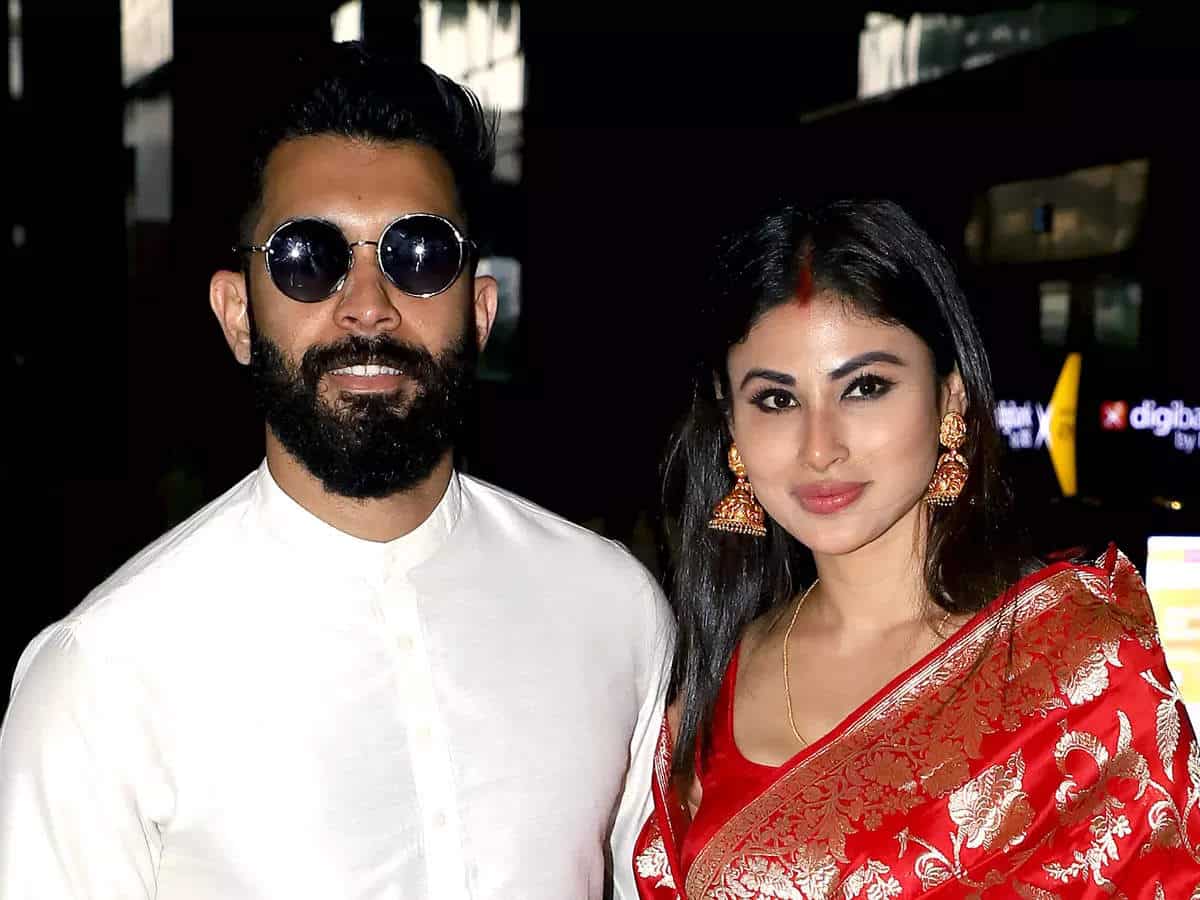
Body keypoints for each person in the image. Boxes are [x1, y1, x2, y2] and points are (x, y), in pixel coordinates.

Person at [0, 43, 672, 900]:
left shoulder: (613, 609)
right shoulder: (103, 673)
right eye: (308, 258)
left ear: (480, 310)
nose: (367, 307)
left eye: (418, 254)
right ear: (238, 315)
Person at [631, 198, 1199, 897]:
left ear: (950, 398)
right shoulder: (705, 678)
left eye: (865, 388)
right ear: (730, 423)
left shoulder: (1077, 665)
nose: (820, 448)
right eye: (777, 400)